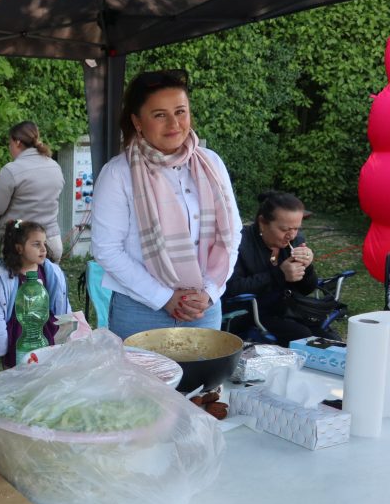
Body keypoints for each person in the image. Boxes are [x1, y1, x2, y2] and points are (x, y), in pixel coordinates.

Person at [91, 69, 241, 339]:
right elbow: (107, 249)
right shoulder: (118, 173)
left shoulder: (211, 163)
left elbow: (232, 233)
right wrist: (164, 297)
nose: (174, 123)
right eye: (159, 115)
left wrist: (209, 292)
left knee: (205, 369)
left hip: (203, 308)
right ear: (137, 122)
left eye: (180, 112)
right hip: (141, 310)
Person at [223, 191, 330, 345]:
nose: (291, 235)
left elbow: (306, 289)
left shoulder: (295, 242)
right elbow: (232, 288)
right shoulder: (240, 243)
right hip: (250, 314)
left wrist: (307, 268)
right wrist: (279, 274)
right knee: (303, 338)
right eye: (285, 229)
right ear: (262, 222)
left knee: (329, 340)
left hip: (289, 309)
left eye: (296, 228)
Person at [0, 220, 71, 369]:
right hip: (17, 335)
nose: (43, 249)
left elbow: (61, 299)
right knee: (17, 374)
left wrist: (67, 327)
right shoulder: (3, 278)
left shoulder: (51, 272)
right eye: (36, 244)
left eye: (44, 243)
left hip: (45, 330)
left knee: (45, 370)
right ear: (19, 248)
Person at [0, 121, 66, 261]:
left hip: (22, 246)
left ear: (17, 142)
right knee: (48, 276)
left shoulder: (11, 170)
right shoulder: (54, 166)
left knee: (22, 277)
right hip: (51, 242)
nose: (9, 148)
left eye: (10, 144)